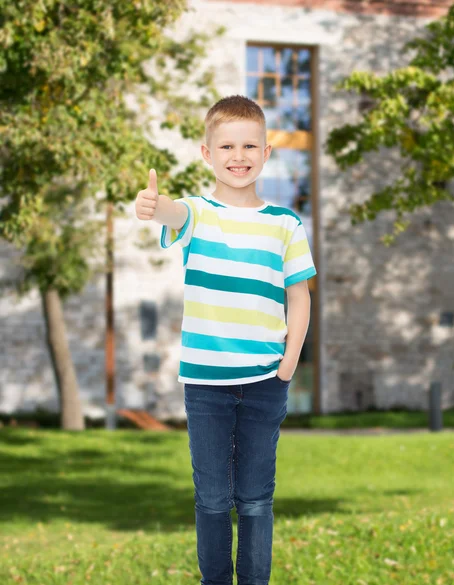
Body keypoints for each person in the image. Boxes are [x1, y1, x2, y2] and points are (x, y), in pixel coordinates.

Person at [135, 95, 316, 585]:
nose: (240, 155)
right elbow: (172, 213)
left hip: (265, 381)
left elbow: (298, 297)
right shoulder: (197, 213)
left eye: (250, 145)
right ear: (207, 154)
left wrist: (289, 362)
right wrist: (154, 206)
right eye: (228, 146)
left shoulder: (285, 225)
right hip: (206, 386)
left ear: (266, 152)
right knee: (212, 499)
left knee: (256, 499)